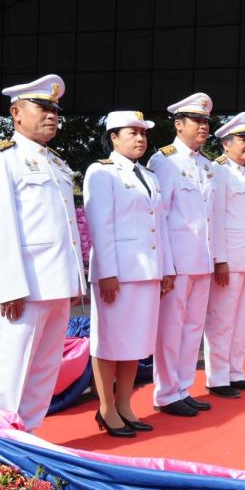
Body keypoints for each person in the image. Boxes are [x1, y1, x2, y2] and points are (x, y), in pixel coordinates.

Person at [0, 74, 86, 431]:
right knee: (13, 365)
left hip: (58, 279)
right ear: (16, 113)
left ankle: (31, 432)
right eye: (43, 107)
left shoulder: (56, 163)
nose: (51, 115)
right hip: (26, 283)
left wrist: (75, 279)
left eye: (55, 109)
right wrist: (8, 286)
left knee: (45, 367)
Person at [83, 111, 175, 437]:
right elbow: (100, 225)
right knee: (110, 341)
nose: (139, 138)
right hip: (118, 273)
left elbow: (159, 224)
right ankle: (106, 408)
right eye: (132, 132)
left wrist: (166, 269)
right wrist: (106, 272)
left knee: (135, 343)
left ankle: (125, 404)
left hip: (146, 271)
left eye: (143, 133)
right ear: (113, 137)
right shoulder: (101, 172)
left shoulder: (150, 176)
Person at [147, 93, 216, 417]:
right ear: (178, 124)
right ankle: (166, 392)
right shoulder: (165, 161)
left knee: (192, 328)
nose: (203, 126)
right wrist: (166, 265)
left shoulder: (206, 165)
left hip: (201, 259)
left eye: (205, 121)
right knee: (171, 329)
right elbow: (158, 217)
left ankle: (183, 387)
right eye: (197, 121)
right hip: (177, 260)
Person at [203, 112, 245, 398]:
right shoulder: (219, 171)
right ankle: (217, 377)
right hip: (230, 259)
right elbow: (216, 218)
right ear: (226, 144)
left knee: (241, 320)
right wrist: (220, 259)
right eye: (242, 139)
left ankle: (234, 371)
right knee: (222, 319)